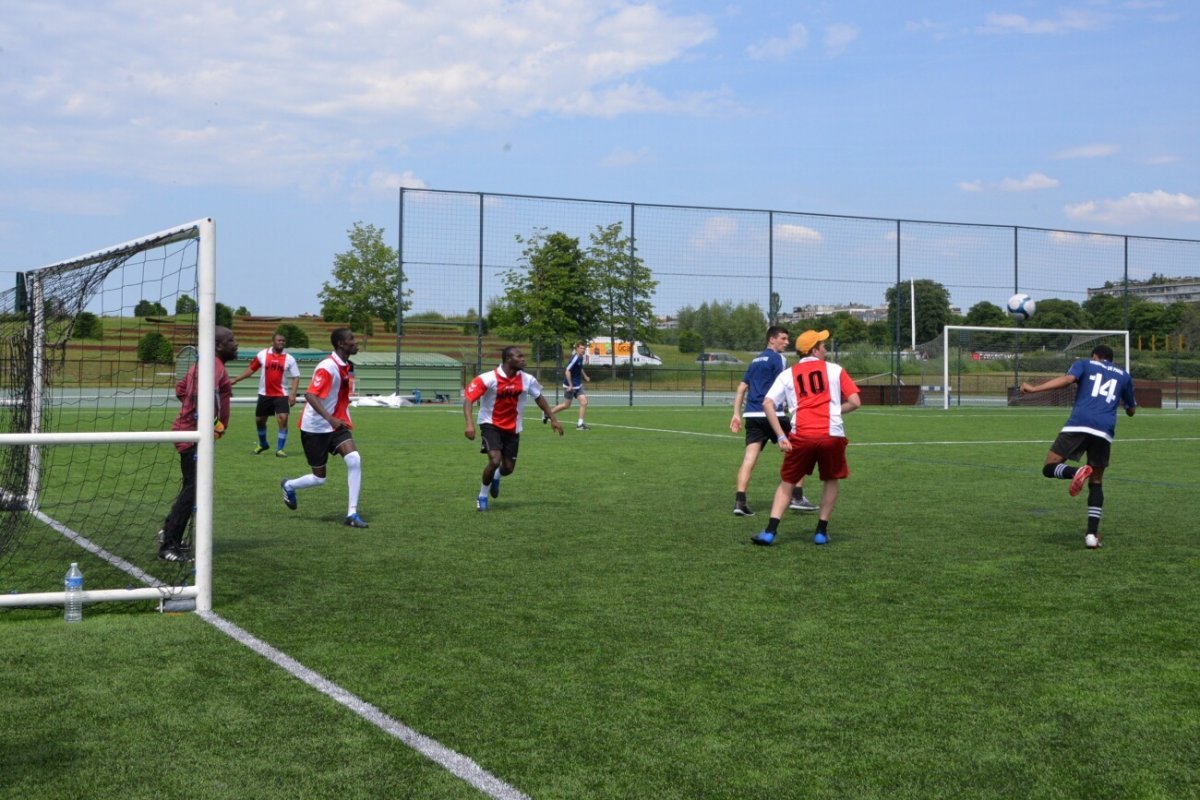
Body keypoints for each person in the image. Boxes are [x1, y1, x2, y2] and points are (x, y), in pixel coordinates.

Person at [1020, 344, 1136, 549]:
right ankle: (1091, 536)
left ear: (1096, 357)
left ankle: (1076, 472)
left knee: (1049, 467)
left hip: (1080, 423)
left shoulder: (1084, 364)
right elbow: (1131, 410)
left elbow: (1067, 380)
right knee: (1097, 482)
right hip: (1104, 430)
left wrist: (1034, 389)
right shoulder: (1124, 375)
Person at [751, 329, 861, 546]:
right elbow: (855, 401)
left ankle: (770, 532)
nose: (825, 348)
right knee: (831, 479)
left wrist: (781, 435)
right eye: (823, 345)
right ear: (814, 349)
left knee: (788, 481)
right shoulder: (835, 369)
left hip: (802, 434)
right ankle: (821, 532)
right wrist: (835, 412)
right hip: (832, 434)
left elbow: (767, 403)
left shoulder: (788, 374)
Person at [158, 326, 238, 562]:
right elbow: (202, 397)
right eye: (231, 340)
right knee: (194, 489)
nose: (237, 344)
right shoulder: (212, 365)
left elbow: (181, 389)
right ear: (218, 345)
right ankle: (168, 545)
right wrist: (214, 423)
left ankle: (169, 531)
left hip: (193, 433)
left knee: (191, 488)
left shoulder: (206, 365)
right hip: (192, 435)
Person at [279, 328, 368, 528]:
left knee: (354, 459)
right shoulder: (327, 366)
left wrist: (336, 419)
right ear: (341, 344)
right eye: (351, 339)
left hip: (335, 425)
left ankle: (352, 514)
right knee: (319, 479)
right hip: (315, 428)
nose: (355, 342)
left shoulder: (345, 364)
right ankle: (289, 485)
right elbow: (310, 395)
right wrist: (330, 418)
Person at [729, 325, 815, 517]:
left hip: (752, 415)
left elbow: (742, 388)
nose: (787, 342)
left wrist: (736, 413)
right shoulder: (779, 359)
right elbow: (788, 384)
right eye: (783, 339)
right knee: (800, 450)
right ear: (772, 340)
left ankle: (740, 502)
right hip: (772, 414)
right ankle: (797, 497)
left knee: (749, 459)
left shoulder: (755, 360)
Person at [464, 345, 564, 510]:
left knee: (508, 468)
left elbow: (539, 398)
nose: (523, 359)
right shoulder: (488, 378)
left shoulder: (527, 379)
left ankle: (497, 476)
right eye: (519, 356)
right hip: (490, 424)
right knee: (495, 460)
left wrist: (553, 418)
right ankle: (482, 496)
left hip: (513, 427)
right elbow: (468, 399)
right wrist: (469, 424)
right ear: (508, 359)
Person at [231, 333, 301, 457]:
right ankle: (263, 444)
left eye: (283, 341)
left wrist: (293, 394)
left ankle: (280, 449)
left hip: (281, 394)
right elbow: (251, 369)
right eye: (279, 340)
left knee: (283, 419)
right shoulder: (262, 354)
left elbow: (296, 377)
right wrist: (236, 379)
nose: (281, 343)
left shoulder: (290, 358)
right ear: (272, 342)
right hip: (264, 394)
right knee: (259, 421)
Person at [545, 341, 591, 430]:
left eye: (584, 348)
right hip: (569, 386)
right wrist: (570, 385)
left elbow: (580, 368)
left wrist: (585, 376)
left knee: (584, 402)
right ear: (577, 349)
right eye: (581, 348)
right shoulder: (575, 358)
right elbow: (567, 371)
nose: (583, 350)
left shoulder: (581, 357)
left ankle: (580, 424)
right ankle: (548, 413)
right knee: (566, 405)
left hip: (578, 385)